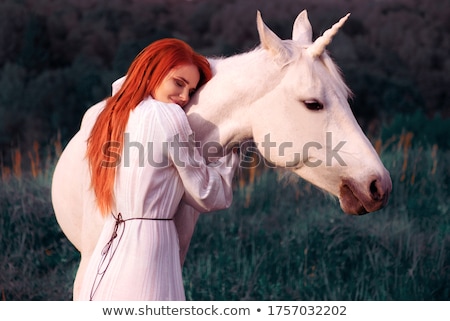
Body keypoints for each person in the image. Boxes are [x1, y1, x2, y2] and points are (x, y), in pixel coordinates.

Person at [76, 38, 239, 301]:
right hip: (150, 247)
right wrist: (230, 153)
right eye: (178, 83)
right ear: (153, 72)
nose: (184, 97)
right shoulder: (168, 116)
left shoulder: (112, 113)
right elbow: (208, 195)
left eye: (191, 90)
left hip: (109, 245)